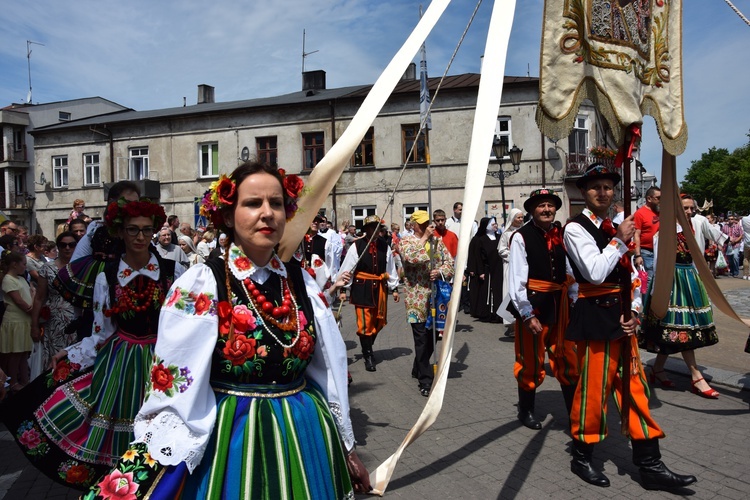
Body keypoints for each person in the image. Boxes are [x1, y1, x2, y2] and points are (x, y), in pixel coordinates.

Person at [81, 162, 370, 498]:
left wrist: (346, 447)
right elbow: (176, 390)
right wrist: (160, 458)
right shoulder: (201, 284)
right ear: (229, 216)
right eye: (253, 203)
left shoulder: (301, 281)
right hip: (233, 437)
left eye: (276, 204)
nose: (267, 214)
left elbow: (328, 369)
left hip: (304, 433)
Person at [3, 198, 183, 490]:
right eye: (132, 230)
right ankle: (119, 488)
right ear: (121, 232)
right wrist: (71, 353)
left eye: (147, 230)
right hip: (121, 362)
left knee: (161, 432)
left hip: (161, 361)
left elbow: (183, 325)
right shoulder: (107, 276)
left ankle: (156, 489)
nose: (140, 237)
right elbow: (102, 331)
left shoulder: (173, 272)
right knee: (115, 429)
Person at [563, 163, 696, 490]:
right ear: (584, 192)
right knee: (594, 392)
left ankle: (650, 464)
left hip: (623, 321)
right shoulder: (575, 228)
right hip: (595, 320)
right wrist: (619, 242)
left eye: (608, 186)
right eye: (595, 187)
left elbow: (635, 276)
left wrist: (635, 310)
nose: (602, 192)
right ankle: (582, 455)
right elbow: (594, 272)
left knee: (636, 390)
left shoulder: (615, 226)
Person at [508, 190, 578, 430]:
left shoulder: (561, 235)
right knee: (530, 360)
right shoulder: (521, 237)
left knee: (568, 358)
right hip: (535, 307)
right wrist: (526, 314)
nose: (547, 209)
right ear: (532, 210)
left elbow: (569, 269)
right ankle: (526, 410)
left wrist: (574, 297)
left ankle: (573, 413)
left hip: (561, 308)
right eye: (541, 206)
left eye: (550, 205)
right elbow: (516, 278)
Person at [641, 195, 720, 398]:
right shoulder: (665, 231)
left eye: (691, 208)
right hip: (673, 281)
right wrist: (660, 291)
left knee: (676, 330)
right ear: (675, 210)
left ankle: (657, 369)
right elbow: (659, 263)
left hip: (690, 278)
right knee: (683, 328)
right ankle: (696, 376)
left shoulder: (691, 227)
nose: (689, 212)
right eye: (685, 208)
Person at [400, 210, 454, 397]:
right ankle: (425, 379)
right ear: (413, 225)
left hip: (435, 296)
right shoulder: (406, 241)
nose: (425, 227)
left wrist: (439, 271)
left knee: (434, 337)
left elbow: (450, 263)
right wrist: (423, 238)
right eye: (421, 224)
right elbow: (411, 258)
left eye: (426, 223)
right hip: (416, 297)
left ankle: (418, 366)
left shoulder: (437, 242)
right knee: (421, 339)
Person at [338, 214, 400, 372]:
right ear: (366, 229)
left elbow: (390, 267)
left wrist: (394, 288)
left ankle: (367, 346)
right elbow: (347, 268)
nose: (375, 230)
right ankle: (368, 355)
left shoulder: (384, 245)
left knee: (379, 322)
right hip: (362, 288)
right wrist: (344, 289)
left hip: (379, 288)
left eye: (377, 228)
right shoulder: (357, 246)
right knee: (365, 324)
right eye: (372, 228)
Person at [31, 232, 78, 369]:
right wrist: (34, 325)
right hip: (54, 322)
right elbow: (39, 298)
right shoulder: (47, 268)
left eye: (71, 245)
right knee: (53, 363)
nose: (67, 248)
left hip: (77, 321)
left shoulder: (83, 267)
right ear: (58, 247)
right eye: (63, 245)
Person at [0, 250, 33, 393]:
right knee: (15, 354)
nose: (25, 267)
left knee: (24, 353)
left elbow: (30, 295)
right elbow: (19, 301)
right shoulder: (8, 279)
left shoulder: (21, 279)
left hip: (25, 321)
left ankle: (25, 381)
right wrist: (34, 311)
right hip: (15, 321)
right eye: (23, 264)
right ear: (14, 264)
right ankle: (13, 382)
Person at [467, 217, 503, 323]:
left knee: (497, 292)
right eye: (493, 224)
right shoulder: (479, 239)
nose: (495, 226)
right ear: (487, 226)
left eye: (496, 224)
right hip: (486, 269)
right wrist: (479, 271)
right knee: (485, 293)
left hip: (498, 269)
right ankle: (486, 313)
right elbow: (476, 256)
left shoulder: (499, 237)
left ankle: (497, 313)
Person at [498, 208, 524, 336]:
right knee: (510, 291)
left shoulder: (525, 232)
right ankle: (511, 324)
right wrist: (514, 256)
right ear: (512, 219)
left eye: (521, 217)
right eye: (518, 217)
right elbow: (501, 250)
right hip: (510, 266)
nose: (521, 219)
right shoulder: (506, 234)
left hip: (523, 266)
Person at [633, 186, 660, 285]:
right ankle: (646, 301)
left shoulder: (659, 212)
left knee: (658, 280)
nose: (660, 201)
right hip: (647, 252)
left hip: (659, 251)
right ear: (649, 199)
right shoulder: (640, 213)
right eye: (658, 198)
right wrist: (638, 255)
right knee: (648, 280)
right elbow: (636, 235)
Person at [742, 213, 750, 280]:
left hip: (747, 241)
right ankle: (749, 275)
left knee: (746, 258)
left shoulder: (744, 219)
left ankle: (745, 274)